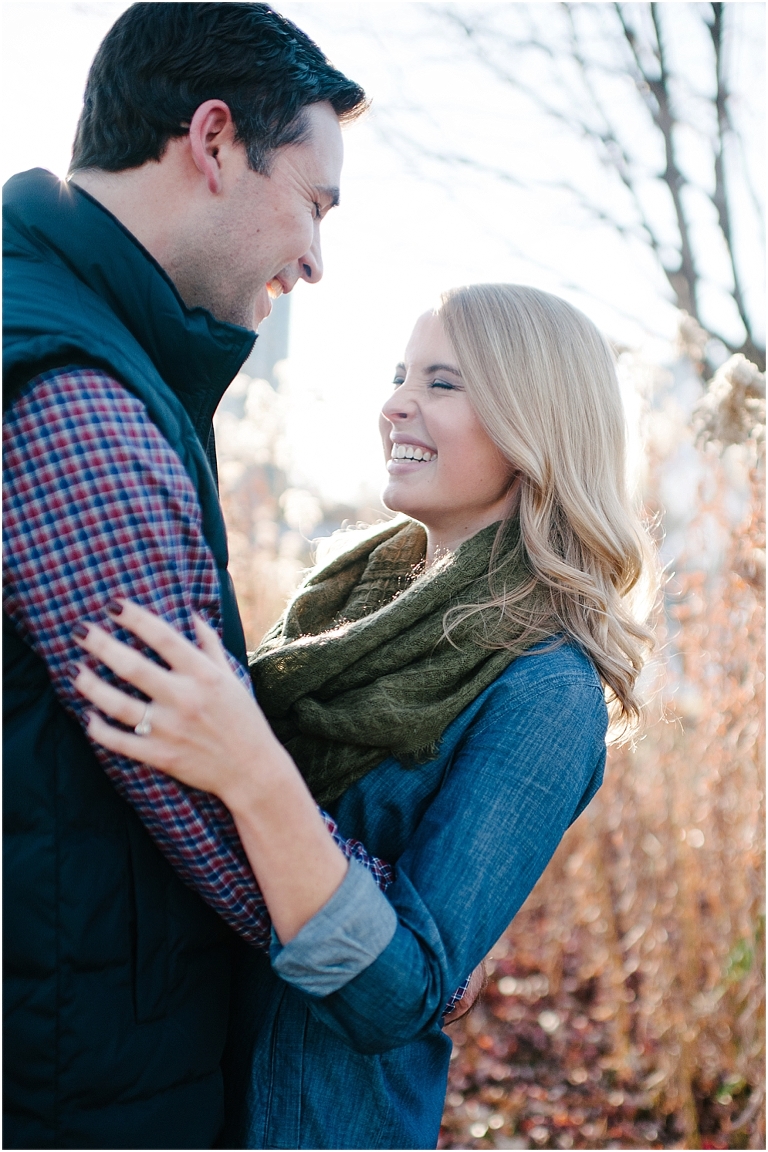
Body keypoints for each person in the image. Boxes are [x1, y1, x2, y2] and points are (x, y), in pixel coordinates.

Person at [71, 283, 658, 1149]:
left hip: (311, 1118)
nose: (395, 405)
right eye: (399, 377)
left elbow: (401, 993)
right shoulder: (345, 604)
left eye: (442, 383)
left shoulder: (545, 691)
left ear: (533, 424)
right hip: (174, 1078)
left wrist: (253, 773)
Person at [2, 4, 383, 1148]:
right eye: (315, 203)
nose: (315, 260)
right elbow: (199, 790)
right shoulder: (74, 397)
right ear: (214, 140)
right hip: (76, 1082)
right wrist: (387, 951)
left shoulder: (68, 334)